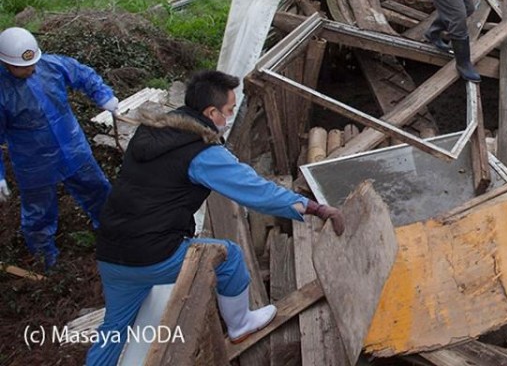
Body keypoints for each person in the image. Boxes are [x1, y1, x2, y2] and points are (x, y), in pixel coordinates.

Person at [86, 70, 345, 365]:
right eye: (229, 110)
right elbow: (255, 191)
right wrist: (313, 207)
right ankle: (240, 324)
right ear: (211, 112)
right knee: (229, 256)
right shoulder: (201, 153)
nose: (231, 116)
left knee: (114, 329)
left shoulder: (152, 132)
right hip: (153, 254)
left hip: (111, 252)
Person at [0, 27, 118, 270]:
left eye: (32, 63)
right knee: (38, 211)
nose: (30, 69)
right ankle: (45, 257)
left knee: (98, 189)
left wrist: (103, 95)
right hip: (34, 162)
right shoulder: (2, 92)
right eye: (22, 67)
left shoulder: (51, 66)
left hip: (73, 148)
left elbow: (82, 74)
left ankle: (113, 230)